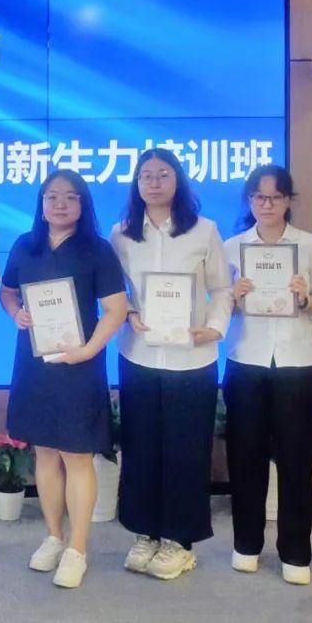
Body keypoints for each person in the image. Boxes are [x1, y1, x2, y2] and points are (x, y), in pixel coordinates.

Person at [109, 147, 233, 581]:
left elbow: (222, 289)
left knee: (186, 450)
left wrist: (214, 327)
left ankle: (179, 542)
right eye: (146, 175)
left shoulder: (204, 230)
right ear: (137, 183)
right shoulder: (122, 234)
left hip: (192, 359)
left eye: (163, 174)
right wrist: (129, 314)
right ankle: (145, 533)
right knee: (140, 447)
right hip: (139, 356)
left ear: (177, 180)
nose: (154, 182)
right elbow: (116, 292)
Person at [0, 170, 127, 588]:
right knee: (45, 452)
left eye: (70, 197)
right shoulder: (25, 245)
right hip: (34, 364)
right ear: (41, 203)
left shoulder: (97, 250)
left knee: (76, 455)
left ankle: (77, 549)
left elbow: (116, 310)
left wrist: (89, 350)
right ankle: (54, 537)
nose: (60, 204)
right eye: (52, 196)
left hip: (79, 365)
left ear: (82, 205)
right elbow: (7, 291)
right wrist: (15, 313)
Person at [223, 165, 312, 585]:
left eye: (275, 197)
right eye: (259, 197)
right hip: (246, 362)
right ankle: (246, 544)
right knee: (245, 458)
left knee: (297, 461)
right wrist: (232, 299)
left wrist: (306, 300)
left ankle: (295, 552)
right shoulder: (232, 247)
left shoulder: (310, 246)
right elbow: (214, 308)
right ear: (250, 200)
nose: (267, 204)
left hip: (297, 365)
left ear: (289, 200)